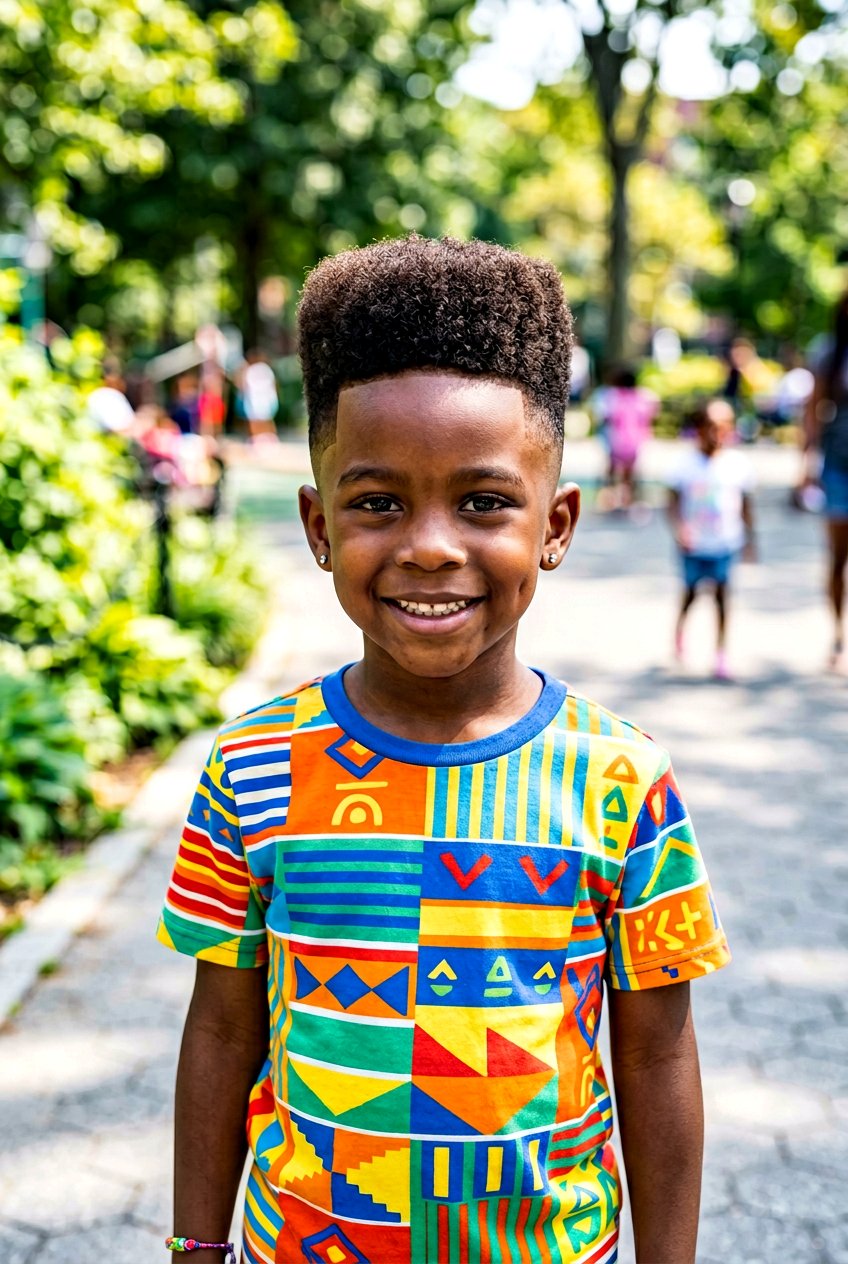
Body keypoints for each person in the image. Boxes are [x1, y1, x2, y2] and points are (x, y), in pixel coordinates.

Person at [158, 236, 730, 1264]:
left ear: (555, 524)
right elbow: (221, 1032)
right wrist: (195, 1248)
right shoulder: (252, 768)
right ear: (318, 525)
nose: (428, 545)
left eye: (483, 502)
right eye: (377, 502)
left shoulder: (620, 778)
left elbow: (654, 1058)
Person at [668, 398, 755, 680]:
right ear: (699, 428)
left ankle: (720, 652)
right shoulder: (685, 464)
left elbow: (746, 504)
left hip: (725, 542)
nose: (718, 434)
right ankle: (680, 634)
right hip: (694, 543)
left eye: (724, 427)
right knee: (691, 592)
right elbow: (672, 501)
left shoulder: (737, 464)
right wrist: (680, 528)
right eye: (712, 427)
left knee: (722, 596)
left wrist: (751, 539)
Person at [801, 291, 848, 670]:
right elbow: (812, 409)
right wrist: (805, 462)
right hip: (838, 463)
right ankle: (837, 635)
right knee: (838, 557)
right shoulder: (828, 351)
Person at [593, 367, 658, 510]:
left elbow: (604, 416)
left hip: (616, 440)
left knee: (611, 470)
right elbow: (652, 413)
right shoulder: (642, 396)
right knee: (630, 472)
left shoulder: (611, 395)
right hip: (635, 441)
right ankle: (628, 499)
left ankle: (609, 498)